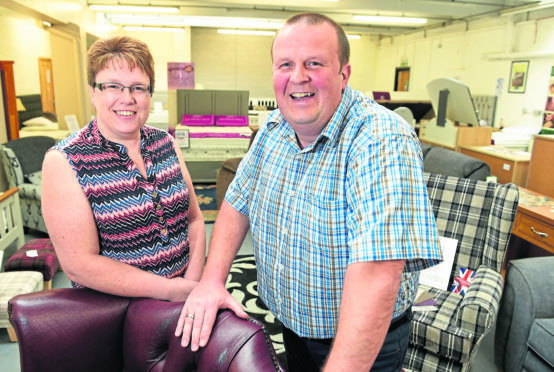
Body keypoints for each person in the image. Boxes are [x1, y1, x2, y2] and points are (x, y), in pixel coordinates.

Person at [177, 13, 442, 371]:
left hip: (360, 341)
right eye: (285, 64)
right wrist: (211, 281)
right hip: (290, 324)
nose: (297, 77)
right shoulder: (273, 129)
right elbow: (238, 202)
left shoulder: (381, 141)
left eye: (313, 63)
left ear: (343, 74)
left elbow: (378, 272)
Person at [42, 36, 205, 301]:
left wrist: (193, 285)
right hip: (119, 317)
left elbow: (195, 220)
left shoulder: (166, 143)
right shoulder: (65, 160)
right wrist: (173, 292)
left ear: (149, 93)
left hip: (187, 301)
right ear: (93, 92)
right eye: (113, 86)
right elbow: (79, 264)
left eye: (138, 88)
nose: (127, 98)